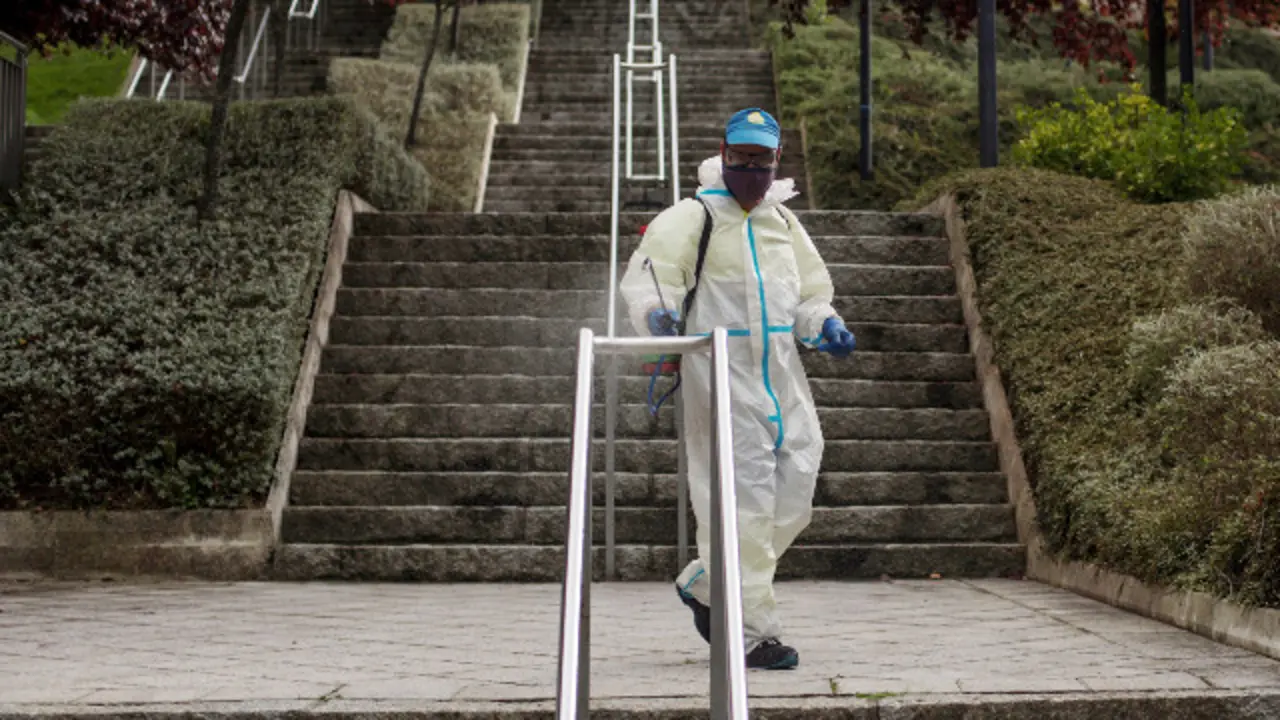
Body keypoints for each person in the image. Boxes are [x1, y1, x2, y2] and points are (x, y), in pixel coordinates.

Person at [619, 107, 856, 670]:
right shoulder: (692, 216)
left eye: (761, 158)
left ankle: (707, 581)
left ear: (777, 160)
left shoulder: (783, 223)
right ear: (723, 154)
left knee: (797, 489)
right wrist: (656, 315)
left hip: (781, 374)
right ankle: (751, 633)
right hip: (719, 374)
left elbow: (808, 293)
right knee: (743, 505)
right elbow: (650, 279)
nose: (751, 168)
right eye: (742, 156)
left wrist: (824, 324)